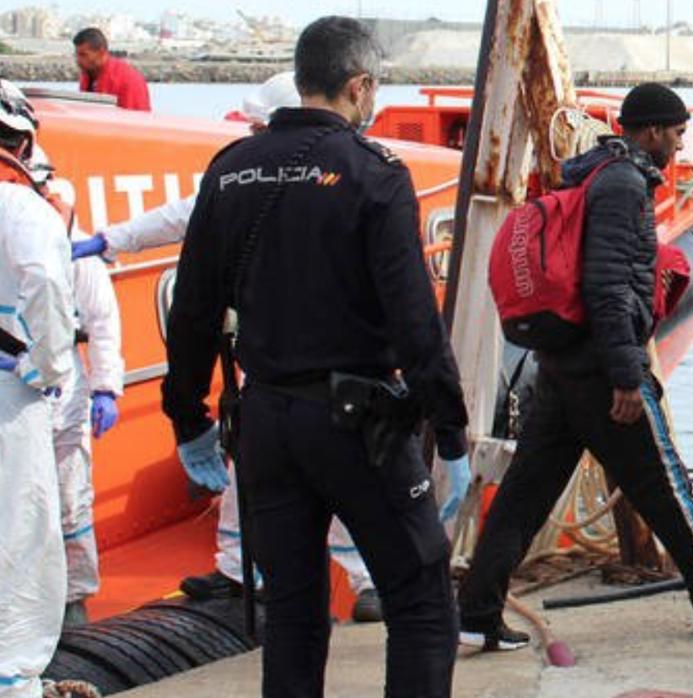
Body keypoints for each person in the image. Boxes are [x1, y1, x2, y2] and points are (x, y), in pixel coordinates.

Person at [162, 17, 469, 696]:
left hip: (266, 421)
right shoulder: (375, 173)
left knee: (295, 614)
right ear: (359, 86)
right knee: (421, 598)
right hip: (357, 422)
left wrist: (187, 417)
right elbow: (415, 321)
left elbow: (192, 311)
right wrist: (449, 431)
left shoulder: (230, 169)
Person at [456, 82, 693, 651]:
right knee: (668, 485)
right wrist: (628, 376)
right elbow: (607, 287)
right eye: (675, 135)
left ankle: (476, 613)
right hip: (601, 371)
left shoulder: (589, 175)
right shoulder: (625, 185)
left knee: (525, 494)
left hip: (560, 365)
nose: (678, 148)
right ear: (650, 131)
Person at [73, 72, 390, 622]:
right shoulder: (253, 180)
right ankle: (239, 569)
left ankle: (366, 580)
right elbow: (186, 217)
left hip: (340, 361)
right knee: (250, 463)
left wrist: (184, 407)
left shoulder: (347, 176)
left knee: (349, 472)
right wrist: (114, 239)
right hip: (272, 359)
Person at [25, 147, 127, 627]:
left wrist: (106, 389)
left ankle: (75, 597)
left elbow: (102, 321)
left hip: (64, 389)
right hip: (15, 390)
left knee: (70, 496)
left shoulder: (77, 250)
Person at [0, 80, 77, 698]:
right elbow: (48, 290)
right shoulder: (23, 207)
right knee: (24, 533)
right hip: (8, 395)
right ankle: (14, 680)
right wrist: (49, 373)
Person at [73, 27, 151, 112]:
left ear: (101, 52)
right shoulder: (88, 73)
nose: (78, 60)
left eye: (84, 55)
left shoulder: (127, 80)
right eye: (77, 55)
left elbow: (134, 120)